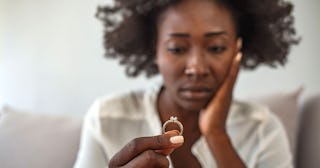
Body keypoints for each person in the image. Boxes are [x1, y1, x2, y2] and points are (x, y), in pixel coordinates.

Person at [74, 0, 299, 167]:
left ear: (237, 50)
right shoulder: (107, 119)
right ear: (155, 49)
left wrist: (216, 135)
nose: (197, 68)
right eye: (177, 49)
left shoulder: (263, 130)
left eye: (216, 48)